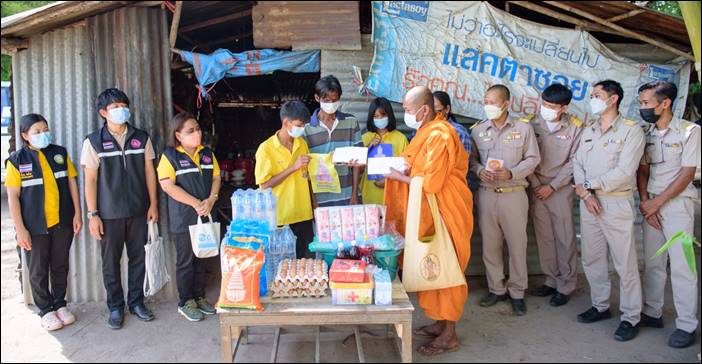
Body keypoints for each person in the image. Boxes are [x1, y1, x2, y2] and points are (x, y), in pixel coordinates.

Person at [384, 86, 473, 356]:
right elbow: (415, 164)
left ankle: (450, 335)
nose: (406, 115)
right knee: (432, 265)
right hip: (427, 211)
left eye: (409, 111)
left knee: (447, 267)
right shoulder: (423, 133)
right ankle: (439, 323)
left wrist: (398, 177)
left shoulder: (441, 135)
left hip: (446, 211)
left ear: (423, 110)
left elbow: (432, 183)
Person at [573, 80, 645, 342]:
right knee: (592, 258)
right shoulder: (589, 129)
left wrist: (589, 187)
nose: (592, 99)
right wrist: (584, 192)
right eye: (592, 95)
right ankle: (600, 305)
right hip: (588, 201)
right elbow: (577, 162)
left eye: (597, 95)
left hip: (615, 202)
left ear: (613, 99)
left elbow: (625, 171)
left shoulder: (631, 130)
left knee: (624, 263)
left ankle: (630, 317)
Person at [81, 88, 158, 329]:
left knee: (138, 258)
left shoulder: (141, 137)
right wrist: (93, 214)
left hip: (138, 210)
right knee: (110, 262)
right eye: (115, 107)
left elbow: (149, 172)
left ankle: (136, 302)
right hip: (108, 213)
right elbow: (90, 179)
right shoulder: (93, 141)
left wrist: (153, 204)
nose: (121, 110)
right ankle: (115, 307)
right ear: (104, 112)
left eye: (123, 105)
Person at [636, 81, 700, 348]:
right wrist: (645, 202)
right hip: (651, 205)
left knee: (683, 266)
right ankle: (653, 312)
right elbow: (642, 170)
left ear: (665, 103)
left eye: (647, 103)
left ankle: (687, 325)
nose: (642, 108)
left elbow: (687, 174)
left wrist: (657, 203)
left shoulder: (690, 132)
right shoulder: (646, 132)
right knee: (653, 263)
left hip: (678, 207)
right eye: (641, 103)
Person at [5, 114, 82, 331]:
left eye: (45, 129)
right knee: (38, 269)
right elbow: (12, 196)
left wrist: (77, 214)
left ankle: (60, 304)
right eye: (36, 131)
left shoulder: (59, 153)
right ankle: (45, 309)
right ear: (24, 136)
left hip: (62, 221)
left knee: (60, 265)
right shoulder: (16, 161)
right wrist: (20, 229)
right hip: (34, 226)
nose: (43, 134)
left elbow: (72, 183)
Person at [470, 84, 540, 316]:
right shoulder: (478, 130)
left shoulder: (523, 128)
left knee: (518, 246)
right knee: (491, 246)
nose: (488, 106)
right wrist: (480, 170)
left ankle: (518, 292)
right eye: (486, 101)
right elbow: (471, 160)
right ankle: (496, 289)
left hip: (514, 195)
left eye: (493, 101)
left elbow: (533, 159)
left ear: (506, 104)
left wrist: (512, 173)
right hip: (487, 195)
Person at [157, 112, 220, 322]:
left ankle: (200, 297)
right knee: (186, 262)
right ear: (178, 135)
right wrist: (195, 203)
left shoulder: (207, 154)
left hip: (206, 214)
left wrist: (211, 199)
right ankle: (186, 302)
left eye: (198, 129)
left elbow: (217, 178)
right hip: (184, 218)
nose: (197, 133)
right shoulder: (169, 156)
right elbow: (167, 186)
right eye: (190, 131)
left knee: (203, 259)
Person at [527, 84, 583, 307]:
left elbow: (575, 162)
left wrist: (553, 186)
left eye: (552, 106)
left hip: (559, 190)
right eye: (545, 104)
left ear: (564, 107)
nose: (546, 109)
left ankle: (566, 285)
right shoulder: (531, 123)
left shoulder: (575, 128)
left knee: (564, 237)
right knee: (544, 238)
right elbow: (526, 155)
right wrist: (535, 184)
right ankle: (550, 280)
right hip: (536, 187)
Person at [255, 101, 315, 258]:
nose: (302, 129)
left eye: (304, 125)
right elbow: (264, 185)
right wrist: (293, 168)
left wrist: (314, 206)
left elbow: (308, 178)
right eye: (299, 125)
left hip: (304, 214)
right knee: (282, 266)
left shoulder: (302, 144)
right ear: (286, 122)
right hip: (281, 217)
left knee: (306, 265)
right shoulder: (265, 149)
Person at [303, 75, 363, 207]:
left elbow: (359, 163)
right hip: (320, 199)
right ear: (317, 98)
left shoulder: (351, 122)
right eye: (326, 100)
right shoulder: (306, 129)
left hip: (348, 196)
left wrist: (354, 195)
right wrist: (313, 202)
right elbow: (305, 169)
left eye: (334, 100)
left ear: (339, 98)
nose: (330, 104)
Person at [360, 97, 408, 205]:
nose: (379, 119)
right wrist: (368, 148)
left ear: (389, 115)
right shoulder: (365, 138)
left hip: (393, 195)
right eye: (375, 116)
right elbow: (357, 169)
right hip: (370, 194)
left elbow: (407, 168)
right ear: (371, 118)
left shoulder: (400, 139)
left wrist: (387, 181)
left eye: (383, 115)